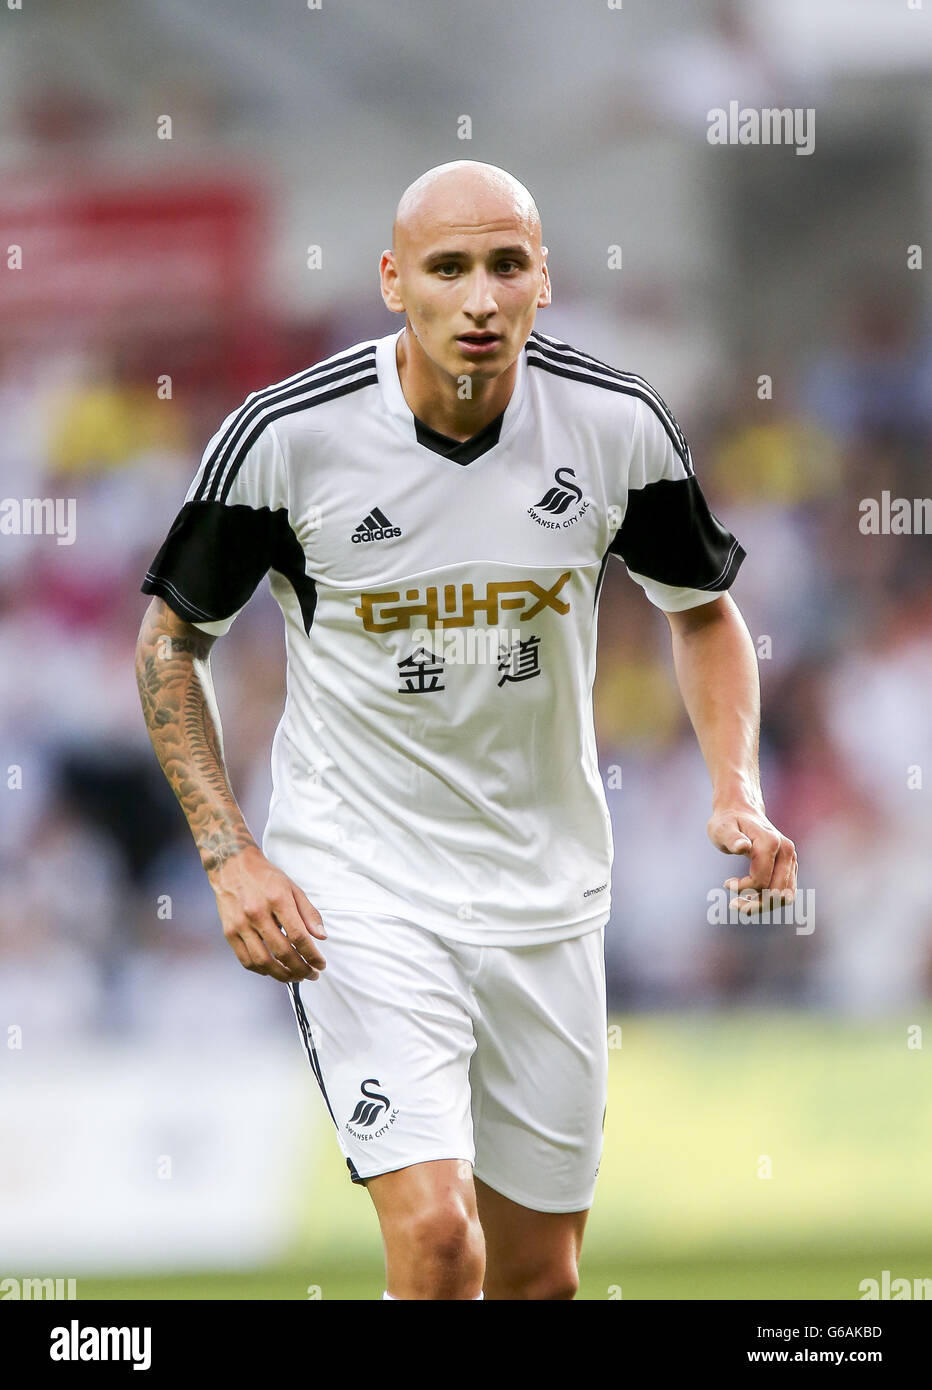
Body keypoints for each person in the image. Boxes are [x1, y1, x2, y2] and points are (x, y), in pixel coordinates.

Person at [135, 160, 797, 1300]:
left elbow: (702, 614)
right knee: (441, 1244)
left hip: (546, 891)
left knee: (538, 1278)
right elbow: (168, 643)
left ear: (544, 279)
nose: (480, 298)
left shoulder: (613, 424)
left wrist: (732, 782)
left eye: (506, 265)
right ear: (396, 281)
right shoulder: (288, 439)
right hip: (361, 883)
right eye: (448, 268)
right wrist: (230, 852)